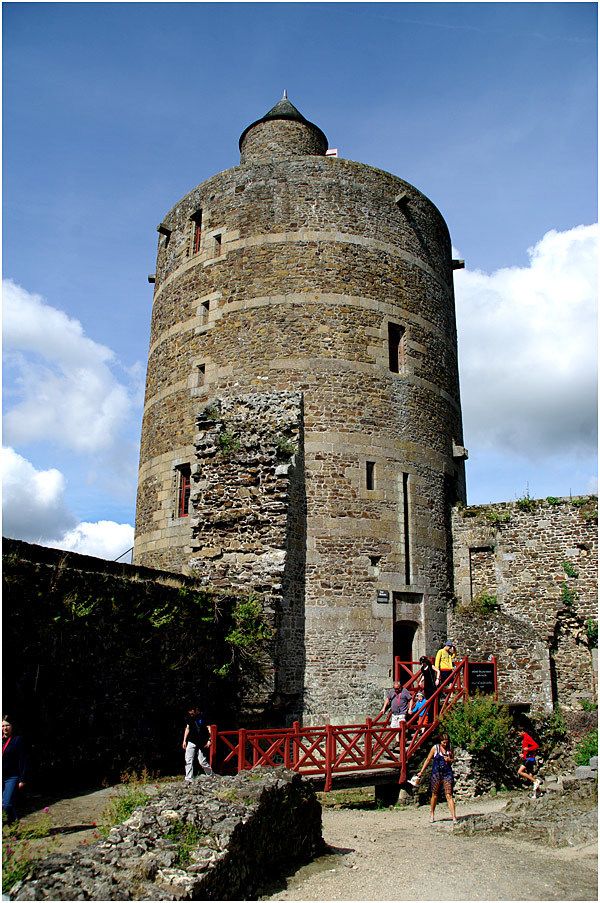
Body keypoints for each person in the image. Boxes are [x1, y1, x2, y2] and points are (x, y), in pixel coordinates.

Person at [415, 733, 457, 823]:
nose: (445, 744)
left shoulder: (450, 749)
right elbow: (428, 759)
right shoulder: (435, 748)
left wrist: (449, 760)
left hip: (447, 773)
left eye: (446, 742)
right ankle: (432, 813)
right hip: (436, 773)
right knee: (434, 794)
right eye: (443, 742)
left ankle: (454, 817)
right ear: (440, 741)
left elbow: (453, 759)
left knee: (449, 794)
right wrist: (421, 771)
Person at [2, 716, 27, 823]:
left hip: (11, 777)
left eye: (7, 725)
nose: (5, 728)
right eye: (2, 726)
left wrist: (22, 779)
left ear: (12, 727)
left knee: (6, 803)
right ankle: (14, 826)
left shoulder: (17, 740)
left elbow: (23, 760)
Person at [182, 705, 214, 780]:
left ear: (195, 710)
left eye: (191, 710)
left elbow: (209, 728)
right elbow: (187, 728)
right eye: (189, 711)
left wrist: (209, 740)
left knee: (202, 761)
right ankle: (188, 778)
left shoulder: (203, 717)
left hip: (201, 741)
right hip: (191, 740)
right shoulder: (189, 717)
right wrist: (184, 740)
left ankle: (211, 775)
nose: (190, 712)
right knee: (188, 759)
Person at [517, 727, 542, 797]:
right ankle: (538, 792)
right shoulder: (524, 738)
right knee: (530, 776)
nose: (518, 735)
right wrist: (523, 755)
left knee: (520, 772)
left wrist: (528, 749)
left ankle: (536, 781)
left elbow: (536, 745)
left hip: (529, 759)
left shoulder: (527, 737)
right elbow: (526, 750)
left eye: (519, 733)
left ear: (522, 732)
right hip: (527, 758)